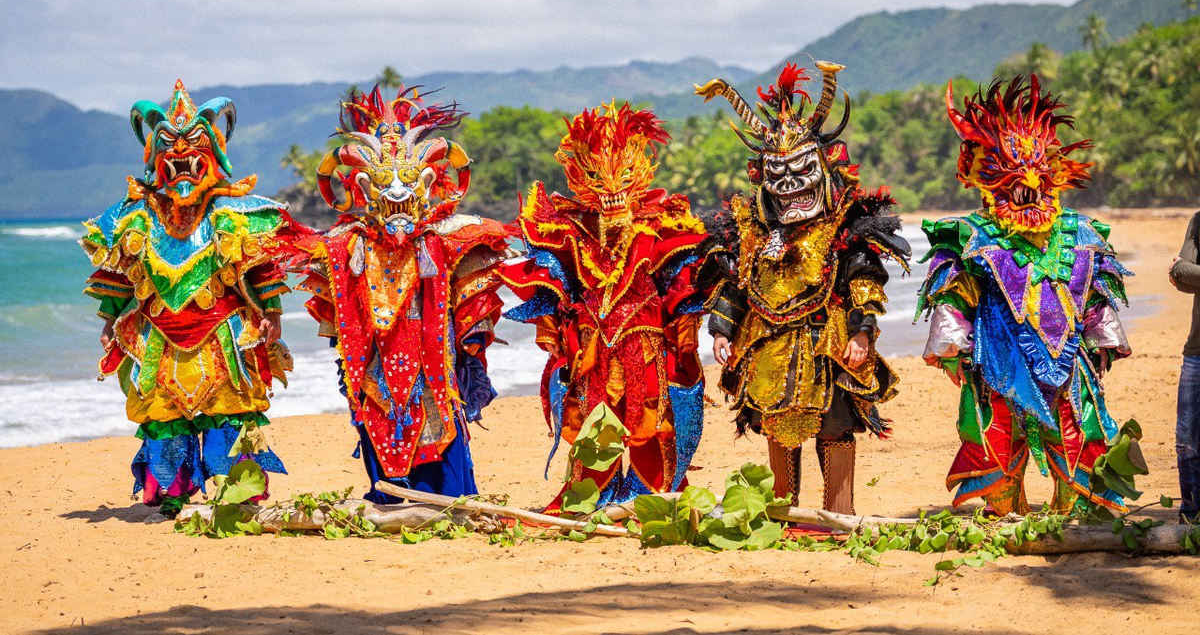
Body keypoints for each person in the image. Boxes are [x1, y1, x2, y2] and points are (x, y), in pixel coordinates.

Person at [694, 62, 909, 514]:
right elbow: (735, 285)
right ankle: (782, 514)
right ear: (764, 175)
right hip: (768, 345)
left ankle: (838, 514)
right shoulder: (750, 227)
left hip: (824, 343)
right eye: (779, 173)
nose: (789, 185)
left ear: (823, 166)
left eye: (801, 169)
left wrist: (861, 333)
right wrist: (720, 332)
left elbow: (863, 280)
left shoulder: (843, 223)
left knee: (835, 428)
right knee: (776, 428)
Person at [918, 75, 1132, 516]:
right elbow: (954, 295)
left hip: (1069, 359)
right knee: (997, 434)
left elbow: (1094, 293)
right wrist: (954, 348)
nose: (1029, 183)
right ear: (982, 175)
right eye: (1014, 175)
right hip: (997, 358)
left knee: (1076, 430)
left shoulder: (1077, 232)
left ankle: (1071, 510)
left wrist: (1103, 340)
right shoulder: (972, 235)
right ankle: (1007, 509)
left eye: (1038, 172)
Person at [80, 80, 296, 517]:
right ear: (157, 159)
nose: (180, 158)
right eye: (170, 150)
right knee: (163, 417)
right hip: (156, 335)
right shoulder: (135, 215)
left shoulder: (235, 213)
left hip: (226, 334)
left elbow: (262, 270)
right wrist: (108, 322)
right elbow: (117, 275)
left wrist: (272, 313)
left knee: (231, 415)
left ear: (212, 155)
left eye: (193, 147)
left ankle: (237, 493)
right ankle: (171, 495)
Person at [292, 86, 510, 502]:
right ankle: (390, 494)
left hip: (433, 355)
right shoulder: (348, 244)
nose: (396, 194)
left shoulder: (446, 239)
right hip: (376, 356)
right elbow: (335, 310)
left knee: (438, 415)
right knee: (378, 412)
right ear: (362, 188)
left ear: (427, 184)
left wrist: (470, 340)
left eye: (407, 184)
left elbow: (474, 298)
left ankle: (442, 493)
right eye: (382, 183)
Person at [498, 102, 707, 512]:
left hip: (644, 339)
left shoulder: (659, 222)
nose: (611, 190)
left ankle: (651, 494)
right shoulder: (571, 228)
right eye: (597, 176)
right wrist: (552, 327)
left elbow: (686, 278)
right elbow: (553, 282)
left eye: (623, 176)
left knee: (650, 417)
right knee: (597, 417)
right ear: (581, 178)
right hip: (594, 343)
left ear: (639, 175)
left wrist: (685, 328)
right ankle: (591, 496)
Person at [1169, 215, 1200, 522]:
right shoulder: (1199, 221)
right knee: (1186, 440)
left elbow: (1189, 273)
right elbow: (1180, 273)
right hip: (1197, 349)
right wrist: (1183, 273)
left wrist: (1192, 274)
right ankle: (1192, 513)